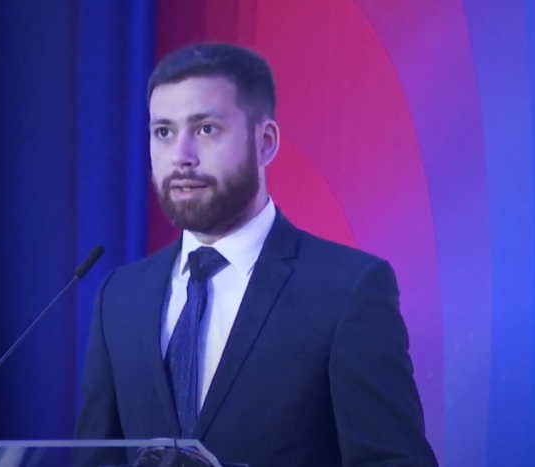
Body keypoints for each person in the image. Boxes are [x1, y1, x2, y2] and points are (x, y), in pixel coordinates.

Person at [75, 43, 438, 467]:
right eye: (164, 132)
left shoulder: (347, 291)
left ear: (265, 142)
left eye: (206, 129)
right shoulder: (119, 297)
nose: (181, 157)